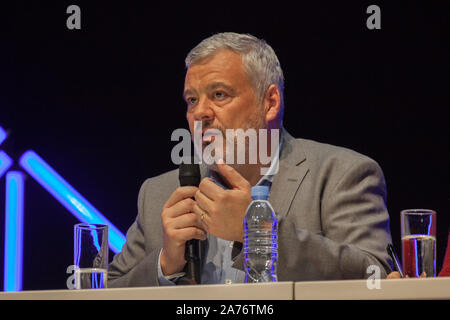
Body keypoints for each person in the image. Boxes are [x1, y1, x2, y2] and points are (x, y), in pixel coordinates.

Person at [107, 32, 393, 287]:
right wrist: (165, 265)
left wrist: (257, 232)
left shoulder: (341, 174)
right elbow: (105, 292)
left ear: (270, 102)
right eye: (192, 100)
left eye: (219, 94)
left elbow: (376, 278)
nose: (200, 113)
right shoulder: (158, 193)